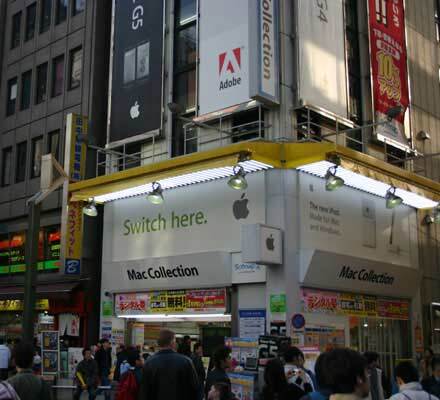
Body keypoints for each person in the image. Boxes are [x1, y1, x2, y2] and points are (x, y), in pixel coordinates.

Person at [138, 329, 199, 400]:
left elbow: (144, 392)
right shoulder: (186, 361)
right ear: (172, 342)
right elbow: (194, 388)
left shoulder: (148, 363)